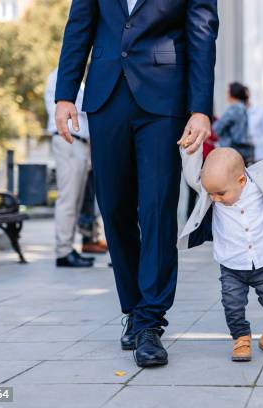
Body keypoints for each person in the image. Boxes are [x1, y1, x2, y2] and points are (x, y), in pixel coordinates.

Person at [54, 0, 218, 367]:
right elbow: (79, 25)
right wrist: (65, 94)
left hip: (163, 97)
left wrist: (200, 108)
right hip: (105, 94)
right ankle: (133, 306)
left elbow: (202, 34)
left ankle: (150, 322)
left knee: (158, 205)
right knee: (112, 206)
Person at [177, 131, 263, 361]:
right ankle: (240, 338)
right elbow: (193, 176)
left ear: (241, 181)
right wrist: (190, 150)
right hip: (231, 264)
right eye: (211, 194)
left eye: (220, 194)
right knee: (232, 304)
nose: (215, 199)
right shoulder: (213, 191)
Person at [44, 67, 95, 268]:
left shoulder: (76, 80)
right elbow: (83, 106)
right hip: (69, 142)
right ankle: (63, 251)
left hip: (81, 144)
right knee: (68, 199)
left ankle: (68, 248)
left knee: (77, 200)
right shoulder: (59, 76)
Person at [213, 82, 255, 166]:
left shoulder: (235, 108)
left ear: (232, 93)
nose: (226, 95)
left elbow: (217, 127)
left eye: (228, 92)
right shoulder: (242, 107)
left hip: (233, 150)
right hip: (243, 151)